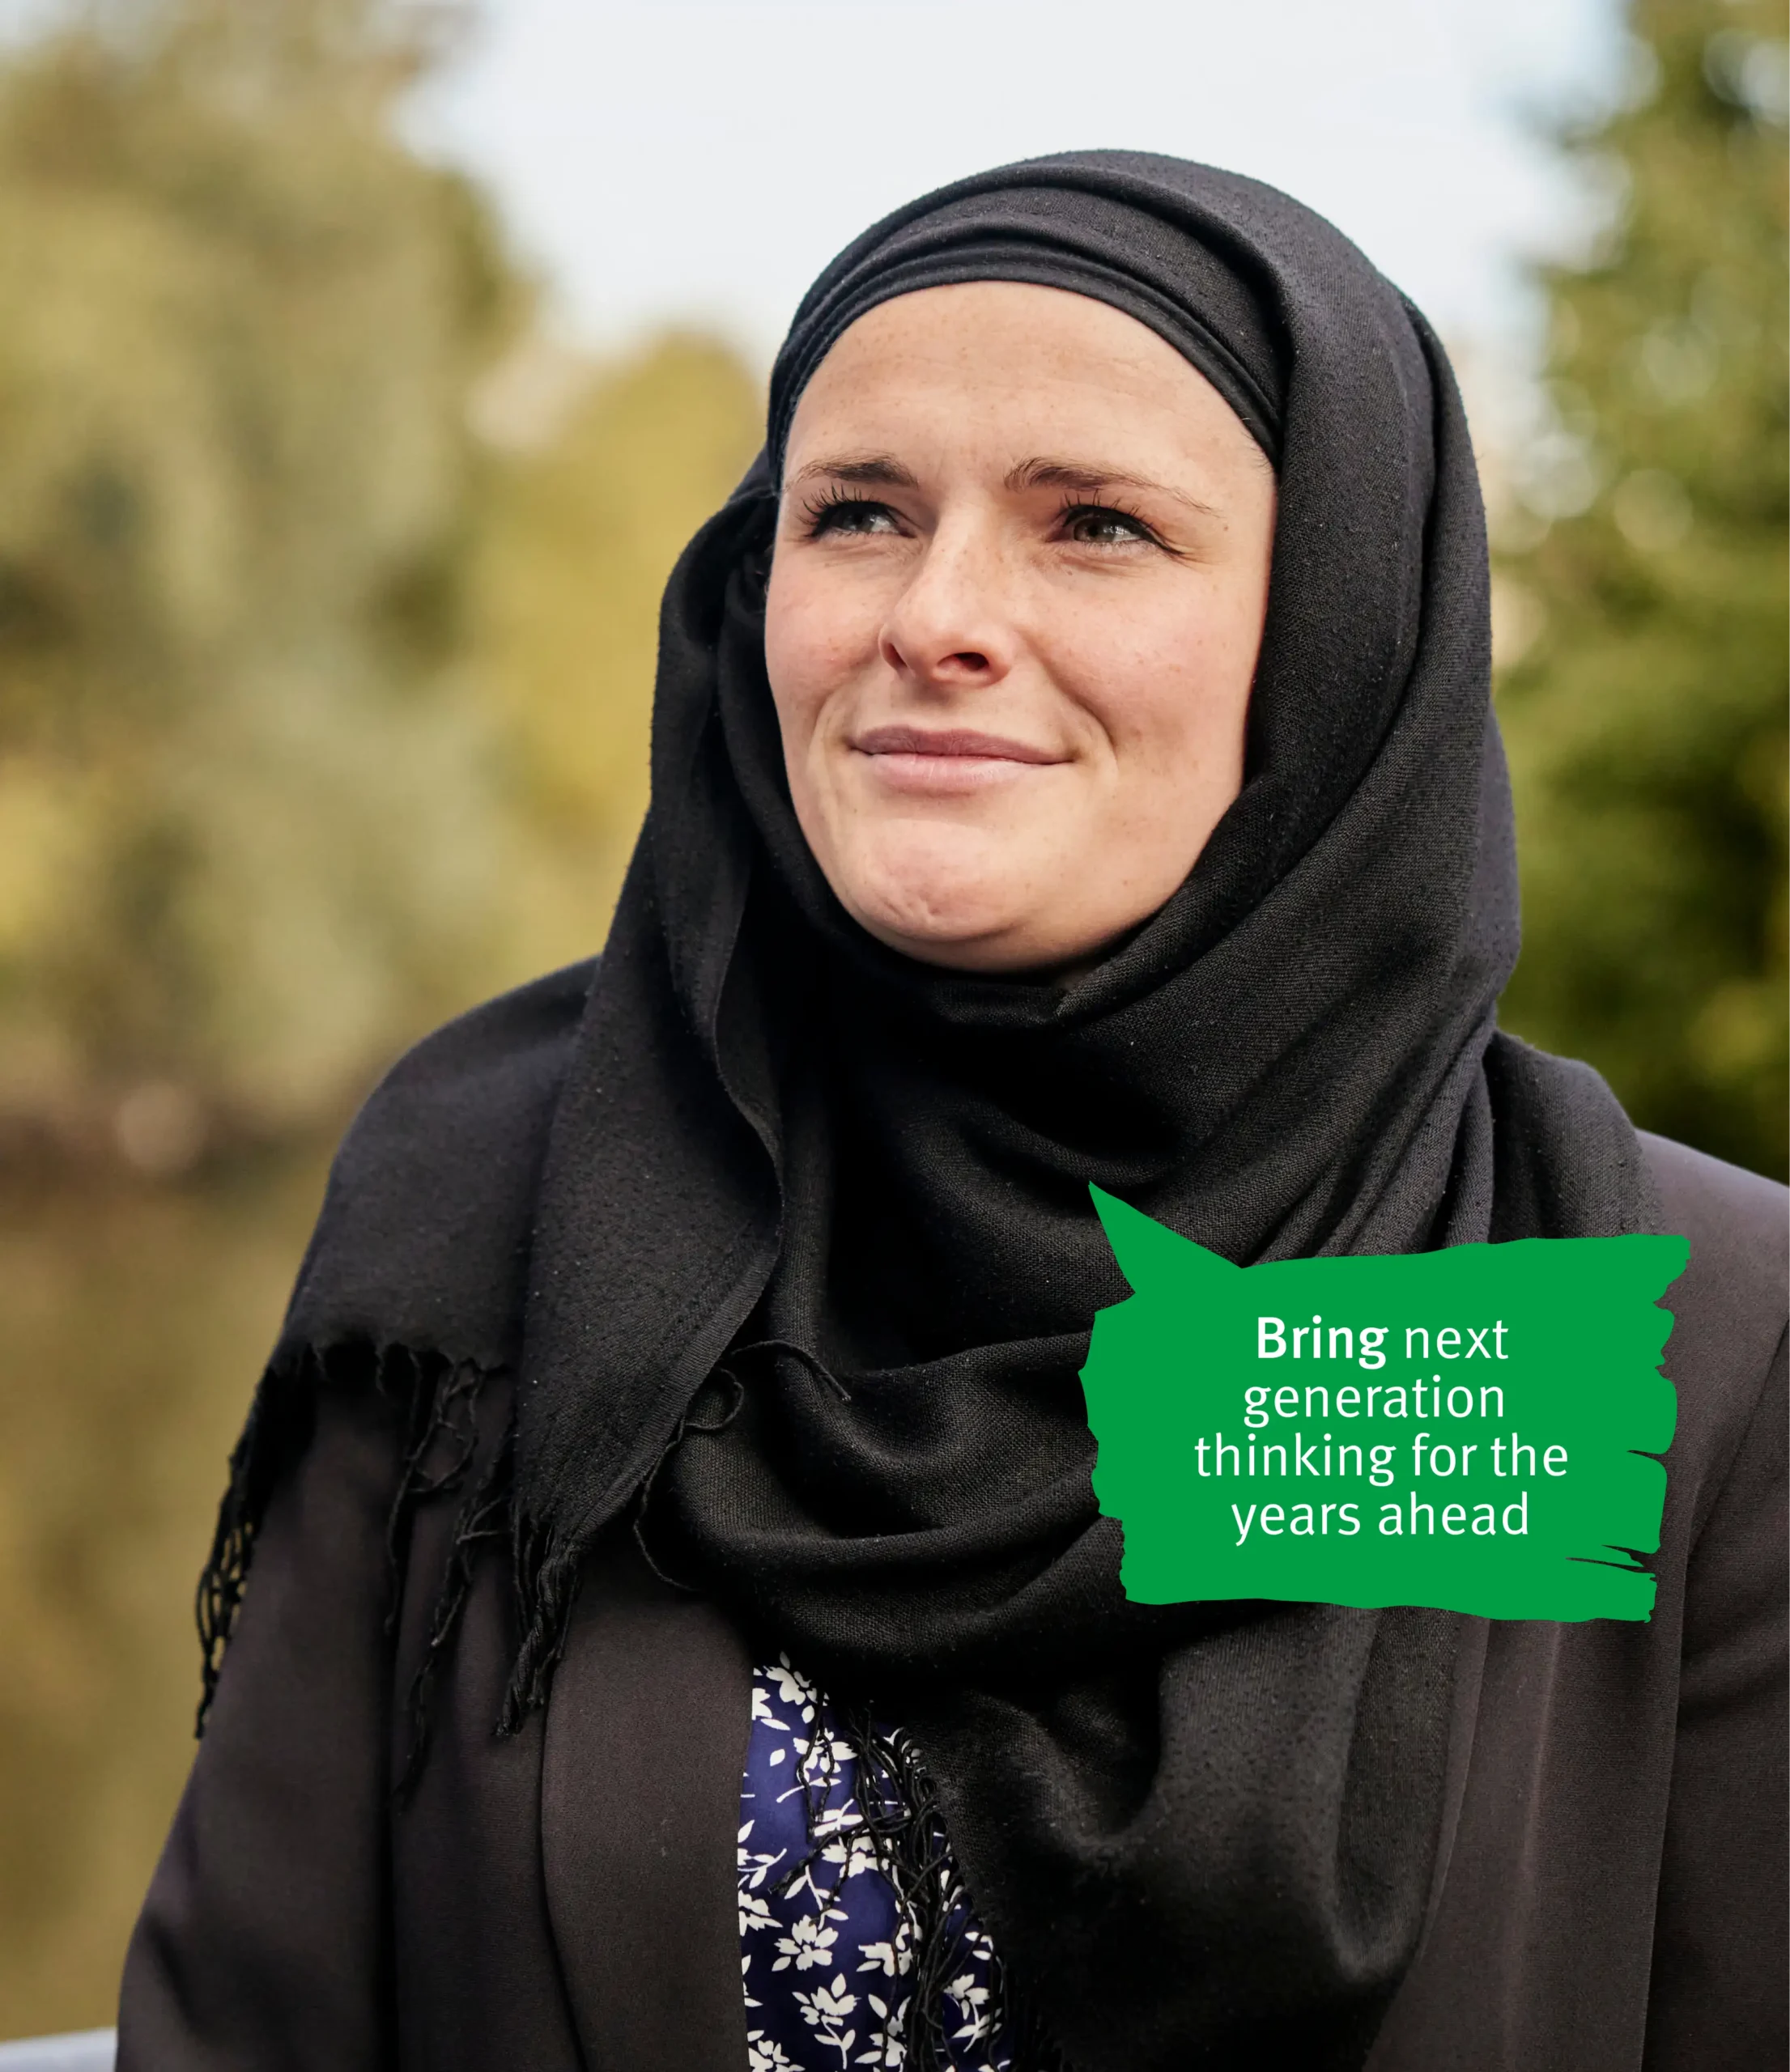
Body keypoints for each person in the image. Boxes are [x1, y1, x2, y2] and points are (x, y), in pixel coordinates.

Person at [117, 152, 1790, 2072]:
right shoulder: (492, 1229)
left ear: (1334, 631)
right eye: (856, 514)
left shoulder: (1654, 1344)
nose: (936, 613)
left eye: (1092, 524)